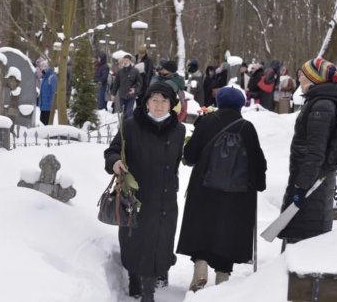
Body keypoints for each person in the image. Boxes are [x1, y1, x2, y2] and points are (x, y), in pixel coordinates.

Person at [177, 86, 267, 291]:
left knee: (202, 227)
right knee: (229, 231)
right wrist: (259, 184)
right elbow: (257, 161)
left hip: (204, 188)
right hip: (237, 194)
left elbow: (190, 156)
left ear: (219, 102)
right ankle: (222, 279)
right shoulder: (247, 127)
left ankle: (200, 267)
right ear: (240, 105)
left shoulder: (207, 121)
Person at [104, 81, 186, 302]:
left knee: (160, 243)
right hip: (136, 196)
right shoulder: (131, 126)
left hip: (165, 198)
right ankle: (133, 278)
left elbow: (178, 160)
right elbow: (111, 152)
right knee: (134, 241)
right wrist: (115, 163)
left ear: (172, 104)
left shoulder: (178, 130)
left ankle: (148, 292)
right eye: (154, 100)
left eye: (164, 100)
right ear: (146, 102)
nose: (159, 105)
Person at [277, 57, 337, 249]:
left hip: (312, 184)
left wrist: (302, 187)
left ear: (315, 79)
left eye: (304, 75)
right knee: (300, 233)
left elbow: (316, 151)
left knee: (302, 239)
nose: (299, 79)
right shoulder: (320, 102)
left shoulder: (322, 106)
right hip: (313, 180)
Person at [109, 54, 142, 119]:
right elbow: (116, 83)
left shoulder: (135, 71)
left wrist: (135, 89)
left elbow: (140, 82)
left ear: (130, 61)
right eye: (124, 60)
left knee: (129, 113)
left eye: (127, 60)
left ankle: (129, 126)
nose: (125, 62)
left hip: (131, 96)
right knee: (123, 113)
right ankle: (123, 126)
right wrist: (113, 94)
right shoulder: (120, 71)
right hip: (122, 95)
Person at [38, 60, 57, 125]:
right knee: (42, 124)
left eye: (44, 67)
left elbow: (54, 92)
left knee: (46, 126)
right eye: (41, 67)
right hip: (43, 107)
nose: (42, 69)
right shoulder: (45, 77)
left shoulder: (52, 77)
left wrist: (52, 106)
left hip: (48, 108)